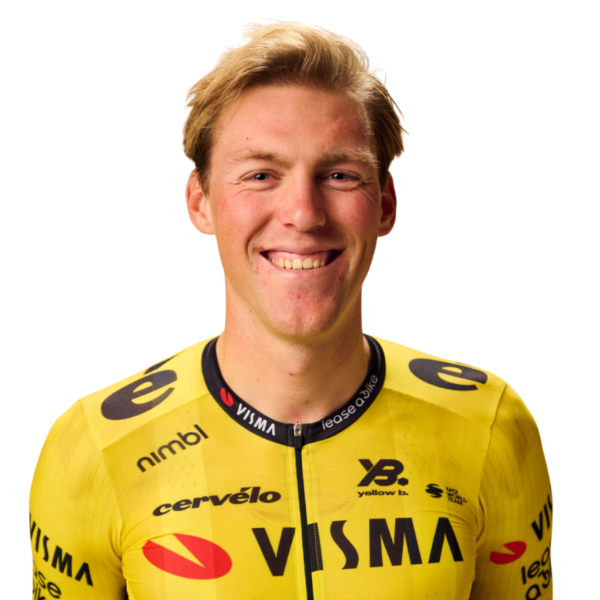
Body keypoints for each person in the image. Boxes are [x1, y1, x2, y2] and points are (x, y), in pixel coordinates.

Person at [29, 17, 553, 600]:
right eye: (261, 174)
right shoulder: (93, 447)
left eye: (340, 174)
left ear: (385, 205)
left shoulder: (492, 426)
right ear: (200, 203)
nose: (303, 213)